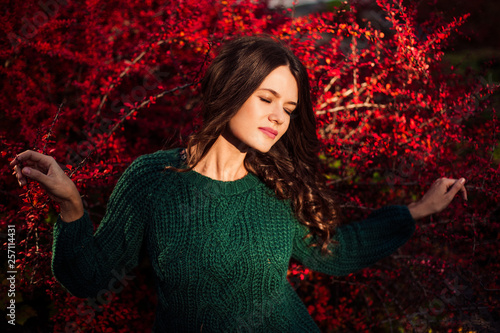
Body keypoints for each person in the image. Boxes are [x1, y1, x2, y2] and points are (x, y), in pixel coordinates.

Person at [10, 36, 468, 332]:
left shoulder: (278, 187)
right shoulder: (154, 182)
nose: (278, 117)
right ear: (231, 89)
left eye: (288, 109)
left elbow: (335, 253)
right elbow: (88, 279)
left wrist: (416, 211)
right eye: (267, 98)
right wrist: (70, 207)